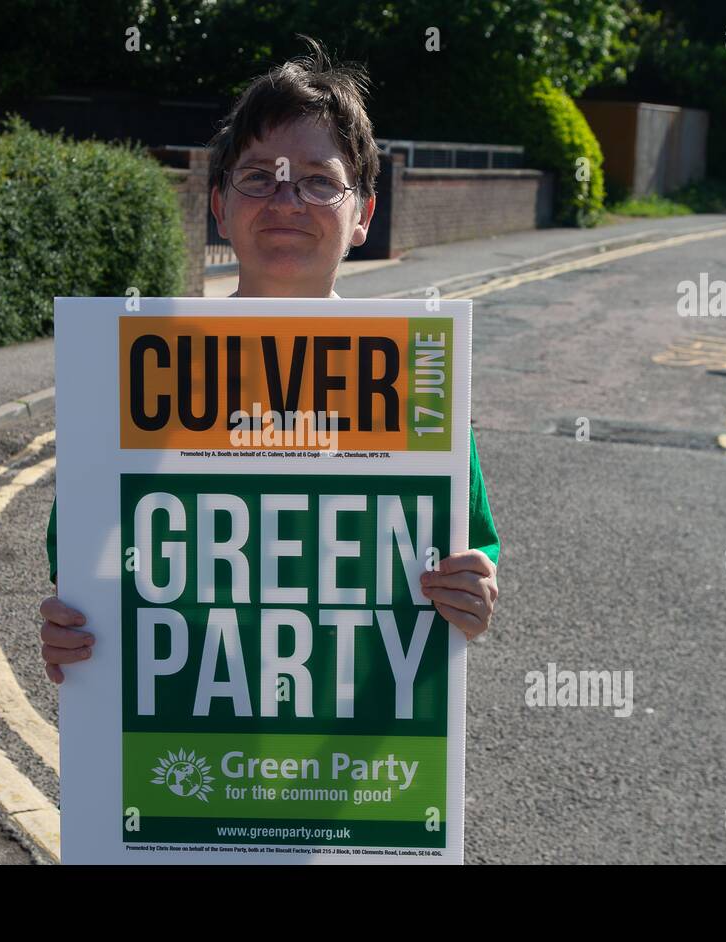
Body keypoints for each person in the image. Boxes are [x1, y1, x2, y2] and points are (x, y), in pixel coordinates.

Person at [39, 36, 499, 685]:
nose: (286, 201)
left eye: (318, 181)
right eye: (259, 177)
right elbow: (83, 551)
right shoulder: (138, 366)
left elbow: (471, 539)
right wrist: (72, 618)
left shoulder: (412, 371)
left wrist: (473, 590)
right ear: (220, 205)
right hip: (185, 724)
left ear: (363, 213)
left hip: (346, 748)